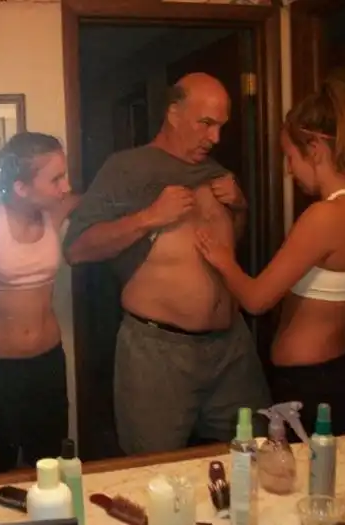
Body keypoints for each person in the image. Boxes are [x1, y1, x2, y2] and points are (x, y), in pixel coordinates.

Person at [63, 73, 271, 455]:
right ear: (173, 113)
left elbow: (228, 244)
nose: (215, 138)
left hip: (232, 347)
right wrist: (149, 218)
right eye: (205, 123)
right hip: (159, 352)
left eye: (221, 126)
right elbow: (77, 249)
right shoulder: (126, 169)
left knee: (256, 454)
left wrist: (240, 206)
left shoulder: (215, 172)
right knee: (154, 466)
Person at [195, 79, 345, 436]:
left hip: (309, 386)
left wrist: (222, 259)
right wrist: (327, 299)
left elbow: (256, 300)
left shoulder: (324, 216)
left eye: (290, 157)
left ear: (315, 149)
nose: (288, 169)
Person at [0, 132, 78, 474]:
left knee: (50, 468)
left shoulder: (54, 211)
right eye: (56, 179)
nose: (65, 186)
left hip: (47, 366)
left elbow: (101, 197)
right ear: (21, 187)